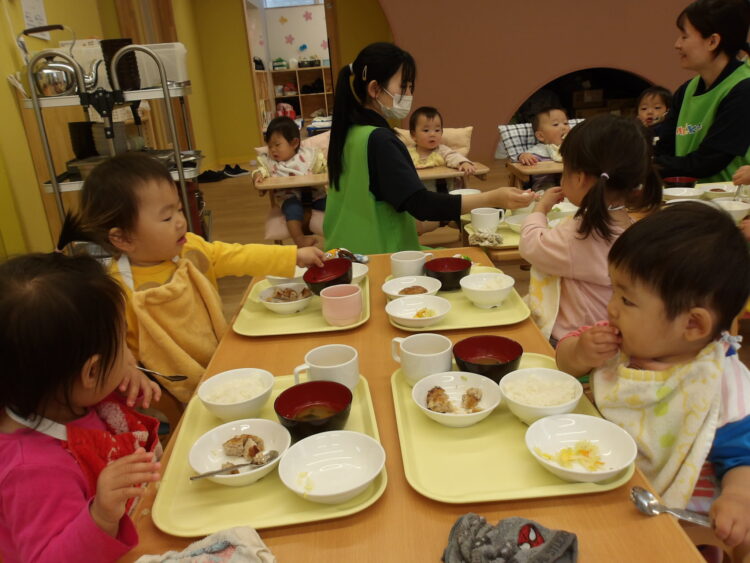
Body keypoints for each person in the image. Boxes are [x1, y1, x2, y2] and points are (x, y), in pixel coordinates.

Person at [556, 202, 750, 557]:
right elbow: (564, 362)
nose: (612, 307)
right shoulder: (618, 341)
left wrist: (738, 498)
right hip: (596, 490)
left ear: (693, 324)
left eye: (627, 300)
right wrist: (580, 353)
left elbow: (742, 458)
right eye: (613, 290)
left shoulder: (718, 383)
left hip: (674, 522)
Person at [69, 152, 324, 403]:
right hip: (170, 389)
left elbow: (237, 255)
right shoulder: (116, 289)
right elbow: (108, 342)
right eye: (167, 217)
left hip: (221, 357)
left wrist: (292, 255)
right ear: (122, 238)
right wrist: (127, 365)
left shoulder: (191, 248)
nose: (181, 222)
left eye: (179, 210)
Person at [0, 250, 163, 562]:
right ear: (91, 371)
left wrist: (122, 374)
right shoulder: (31, 471)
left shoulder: (60, 392)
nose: (129, 353)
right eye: (122, 342)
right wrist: (101, 516)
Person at [324, 42, 534, 255]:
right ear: (375, 89)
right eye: (403, 87)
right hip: (380, 255)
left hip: (345, 251)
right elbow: (421, 204)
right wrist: (492, 198)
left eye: (411, 88)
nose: (408, 95)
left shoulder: (349, 132)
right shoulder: (380, 140)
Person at [519, 114, 661, 345]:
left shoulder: (579, 234)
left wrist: (540, 209)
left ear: (579, 178)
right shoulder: (635, 229)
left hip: (571, 340)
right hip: (616, 337)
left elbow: (531, 245)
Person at [655, 0, 750, 182]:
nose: (677, 44)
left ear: (712, 41)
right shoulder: (685, 91)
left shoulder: (744, 90)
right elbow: (665, 148)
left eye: (684, 36)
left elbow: (708, 162)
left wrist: (646, 167)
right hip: (687, 195)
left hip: (733, 198)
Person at [253, 116, 327, 248]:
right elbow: (260, 171)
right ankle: (300, 240)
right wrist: (258, 177)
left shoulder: (309, 157)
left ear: (294, 143)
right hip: (289, 197)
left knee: (332, 205)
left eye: (277, 145)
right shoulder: (270, 163)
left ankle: (341, 234)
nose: (273, 150)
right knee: (293, 210)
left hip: (316, 195)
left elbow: (323, 170)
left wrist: (327, 172)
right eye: (269, 146)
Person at [408, 106, 476, 184]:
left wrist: (463, 163)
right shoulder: (407, 153)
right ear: (414, 135)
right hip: (417, 188)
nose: (433, 134)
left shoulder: (443, 151)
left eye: (437, 130)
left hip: (443, 188)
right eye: (426, 130)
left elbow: (454, 157)